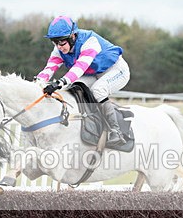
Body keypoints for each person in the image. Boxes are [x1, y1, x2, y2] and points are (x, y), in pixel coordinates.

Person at [35, 16, 130, 146]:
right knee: (73, 88)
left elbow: (79, 68)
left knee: (98, 90)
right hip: (94, 73)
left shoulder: (90, 41)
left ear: (72, 36)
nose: (59, 47)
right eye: (55, 42)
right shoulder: (59, 49)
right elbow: (49, 68)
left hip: (116, 70)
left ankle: (116, 131)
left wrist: (59, 83)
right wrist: (37, 83)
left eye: (61, 42)